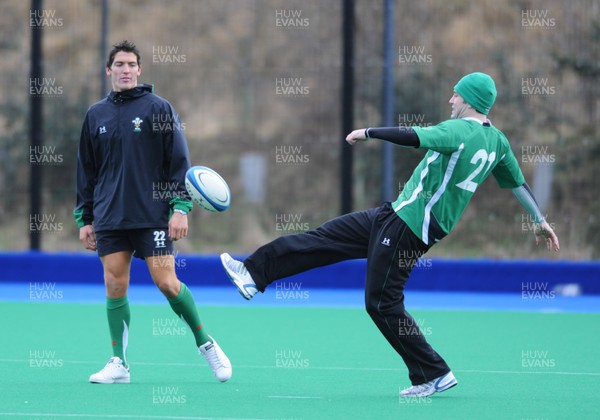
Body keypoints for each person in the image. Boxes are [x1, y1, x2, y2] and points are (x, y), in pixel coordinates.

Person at [220, 72, 559, 397]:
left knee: (382, 302)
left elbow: (415, 136)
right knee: (324, 239)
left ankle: (434, 373)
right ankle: (253, 273)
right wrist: (539, 219)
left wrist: (368, 132)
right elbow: (518, 183)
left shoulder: (459, 130)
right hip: (396, 213)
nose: (451, 98)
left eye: (456, 93)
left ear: (470, 100)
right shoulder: (497, 141)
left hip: (409, 225)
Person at [74, 40, 231, 384]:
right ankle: (119, 364)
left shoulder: (159, 109)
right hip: (110, 215)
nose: (126, 70)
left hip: (152, 214)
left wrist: (180, 207)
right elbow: (86, 170)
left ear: (140, 70)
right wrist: (85, 219)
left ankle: (206, 343)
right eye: (119, 64)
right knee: (114, 285)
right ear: (109, 70)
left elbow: (178, 162)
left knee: (167, 284)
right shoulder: (95, 114)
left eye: (131, 64)